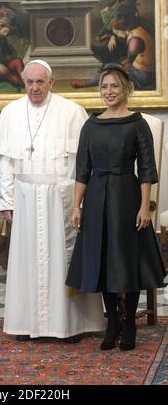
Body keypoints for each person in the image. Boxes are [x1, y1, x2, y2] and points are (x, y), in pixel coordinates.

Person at [0, 59, 105, 342]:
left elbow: (85, 162)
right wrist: (6, 200)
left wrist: (80, 202)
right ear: (24, 82)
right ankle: (27, 324)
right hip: (25, 198)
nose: (35, 88)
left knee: (63, 261)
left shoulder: (72, 112)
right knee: (27, 262)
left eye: (40, 82)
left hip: (62, 199)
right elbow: (5, 161)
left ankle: (70, 326)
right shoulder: (10, 113)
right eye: (29, 82)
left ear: (51, 82)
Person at [66, 63, 166, 351]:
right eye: (104, 87)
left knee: (126, 258)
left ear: (126, 89)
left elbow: (147, 169)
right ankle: (112, 322)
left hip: (127, 196)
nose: (108, 91)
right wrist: (76, 206)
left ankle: (130, 323)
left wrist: (145, 207)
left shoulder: (137, 124)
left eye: (114, 86)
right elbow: (82, 170)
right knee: (102, 258)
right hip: (96, 197)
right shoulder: (91, 125)